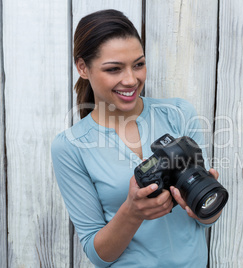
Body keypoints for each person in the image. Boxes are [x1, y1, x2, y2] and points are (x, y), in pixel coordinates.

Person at [51, 9, 222, 267]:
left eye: (139, 64)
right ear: (83, 68)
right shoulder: (70, 146)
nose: (131, 79)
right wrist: (132, 213)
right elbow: (98, 255)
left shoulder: (179, 114)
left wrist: (206, 204)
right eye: (114, 69)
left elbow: (206, 215)